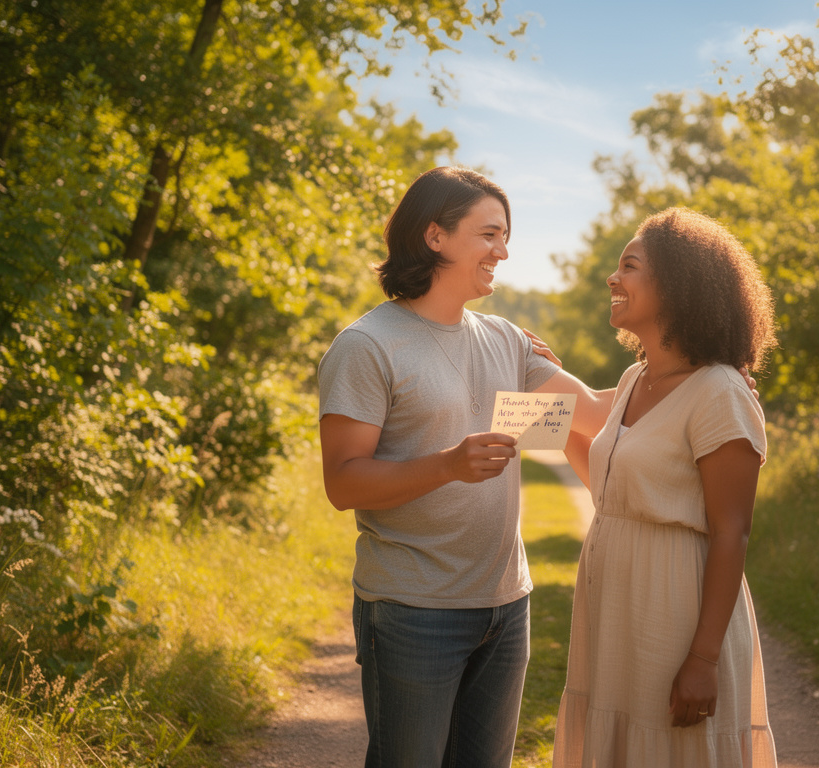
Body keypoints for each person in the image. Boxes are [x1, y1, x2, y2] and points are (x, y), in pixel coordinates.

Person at [317, 166, 612, 767]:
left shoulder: (508, 341)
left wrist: (705, 370)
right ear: (435, 236)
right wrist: (448, 464)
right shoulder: (366, 346)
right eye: (489, 235)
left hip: (506, 607)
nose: (503, 251)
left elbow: (599, 414)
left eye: (505, 237)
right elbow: (344, 482)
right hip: (412, 610)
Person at [552, 207, 779, 767]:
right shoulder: (634, 379)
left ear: (676, 285)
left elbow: (731, 532)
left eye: (629, 266)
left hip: (675, 608)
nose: (612, 277)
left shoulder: (721, 391)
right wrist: (532, 375)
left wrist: (703, 659)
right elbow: (615, 496)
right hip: (616, 608)